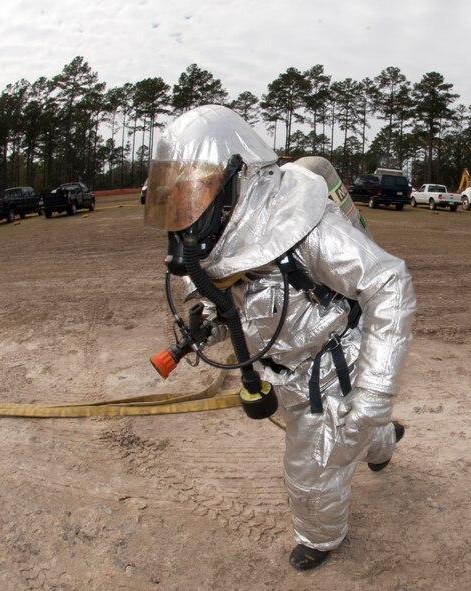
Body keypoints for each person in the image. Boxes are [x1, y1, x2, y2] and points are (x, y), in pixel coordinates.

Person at [144, 105, 416, 571]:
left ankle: (320, 537)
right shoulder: (222, 238)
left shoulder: (304, 225)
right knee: (353, 431)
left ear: (234, 177)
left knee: (311, 470)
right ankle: (382, 437)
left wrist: (374, 390)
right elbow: (230, 300)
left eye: (195, 192)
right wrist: (205, 324)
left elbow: (389, 283)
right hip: (284, 369)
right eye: (179, 196)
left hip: (332, 368)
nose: (187, 211)